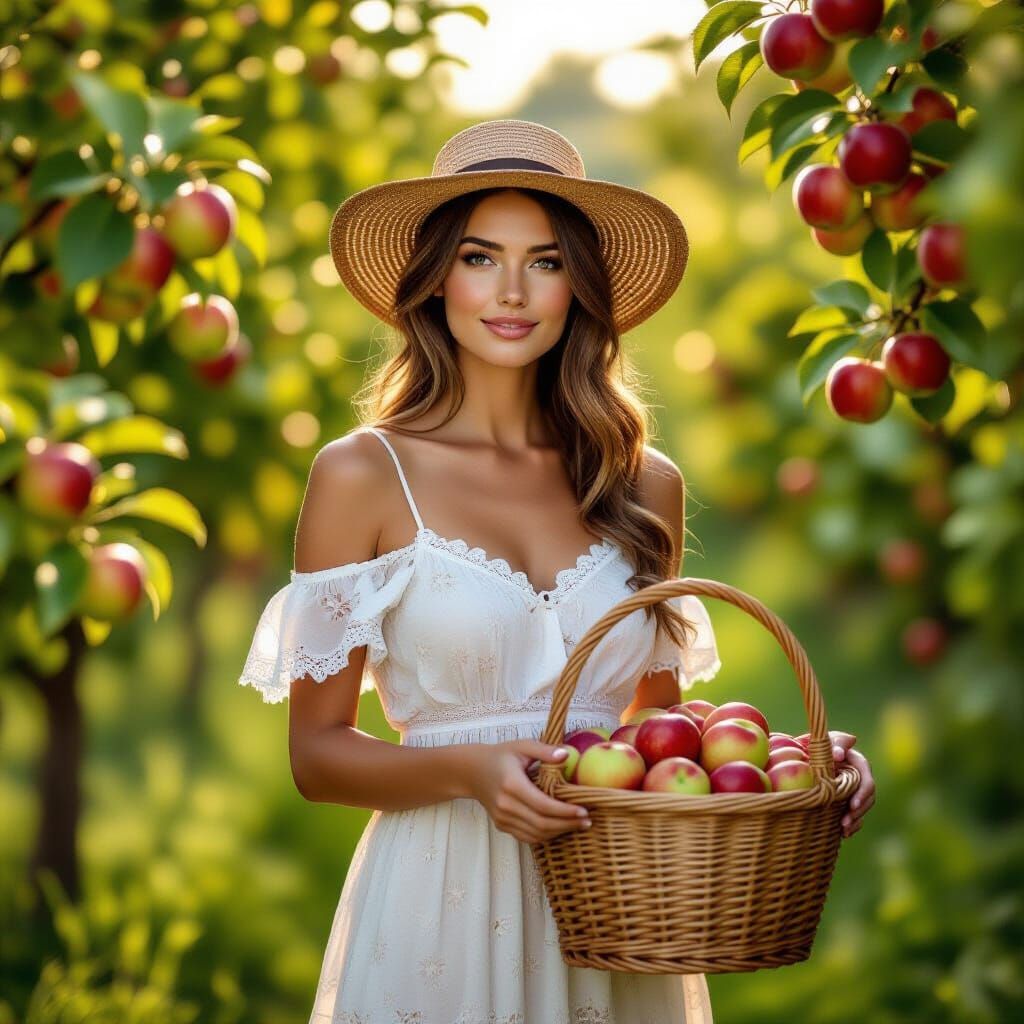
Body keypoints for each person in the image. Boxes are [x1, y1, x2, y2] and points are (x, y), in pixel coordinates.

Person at [239, 119, 876, 1023]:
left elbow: (659, 730)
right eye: (478, 257)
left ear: (580, 284)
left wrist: (793, 763)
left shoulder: (644, 482)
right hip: (442, 899)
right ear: (434, 279)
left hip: (620, 908)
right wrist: (472, 773)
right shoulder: (363, 474)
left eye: (544, 261)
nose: (510, 290)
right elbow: (317, 756)